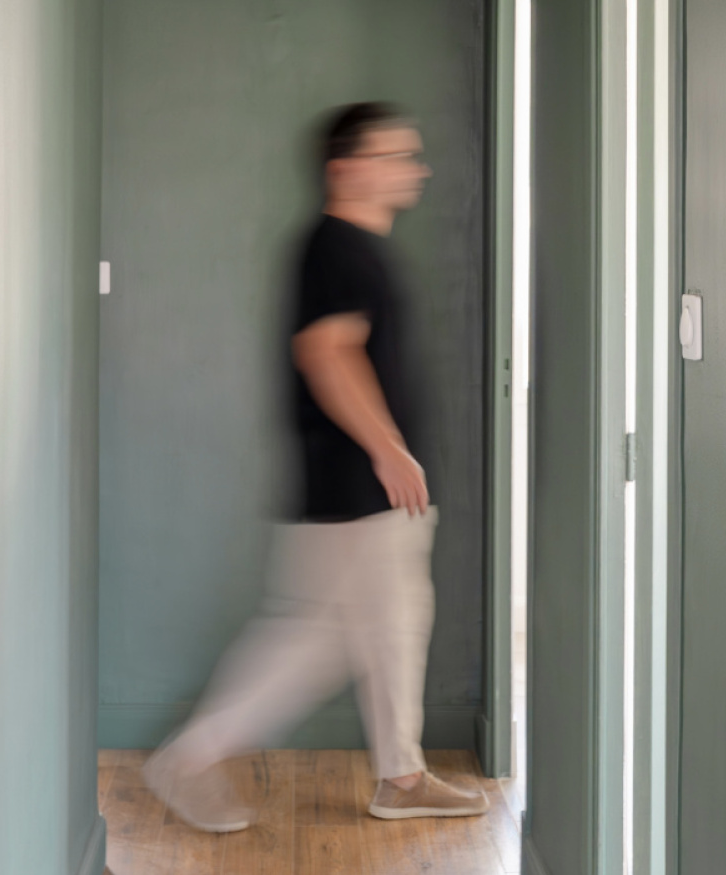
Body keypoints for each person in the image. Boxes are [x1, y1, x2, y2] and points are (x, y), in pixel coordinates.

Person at [143, 101, 488, 832]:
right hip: (359, 489)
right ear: (346, 169)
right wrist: (388, 448)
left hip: (360, 490)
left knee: (387, 626)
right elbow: (328, 353)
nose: (416, 168)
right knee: (320, 642)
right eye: (398, 155)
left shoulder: (351, 247)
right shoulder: (338, 247)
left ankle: (402, 776)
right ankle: (190, 758)